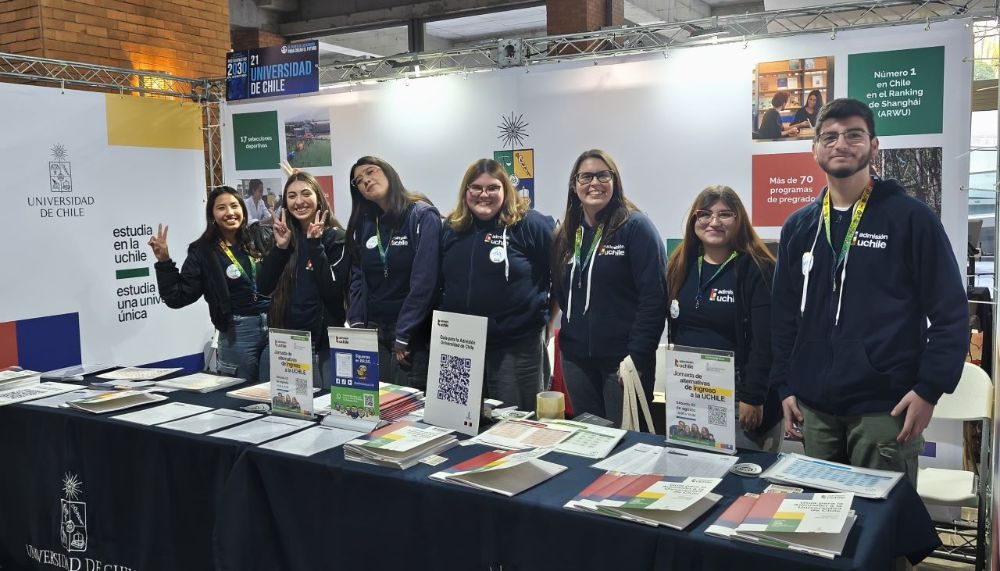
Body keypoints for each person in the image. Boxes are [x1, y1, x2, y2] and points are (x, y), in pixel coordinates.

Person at [771, 98, 968, 484]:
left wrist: (929, 389)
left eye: (854, 135)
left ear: (874, 146)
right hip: (815, 408)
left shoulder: (912, 219)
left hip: (884, 409)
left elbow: (951, 314)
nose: (840, 144)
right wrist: (784, 384)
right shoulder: (799, 226)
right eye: (829, 137)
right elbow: (783, 315)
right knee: (821, 514)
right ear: (815, 150)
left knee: (880, 518)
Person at [553, 149, 667, 428]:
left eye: (603, 175)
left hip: (623, 361)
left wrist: (637, 356)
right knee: (589, 438)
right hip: (576, 360)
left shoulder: (635, 227)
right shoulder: (567, 232)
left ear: (615, 181)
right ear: (574, 185)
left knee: (626, 441)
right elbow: (561, 290)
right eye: (586, 177)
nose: (595, 183)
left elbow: (654, 298)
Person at [666, 185, 783, 452]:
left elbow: (765, 341)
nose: (714, 222)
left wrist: (753, 397)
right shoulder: (679, 265)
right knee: (691, 468)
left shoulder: (759, 268)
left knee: (740, 474)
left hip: (740, 396)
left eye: (725, 214)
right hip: (690, 392)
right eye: (705, 214)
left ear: (739, 220)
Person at [440, 158, 555, 409]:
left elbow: (560, 276)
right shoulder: (451, 228)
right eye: (476, 187)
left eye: (493, 187)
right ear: (466, 191)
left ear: (506, 189)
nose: (484, 194)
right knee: (458, 418)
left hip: (515, 346)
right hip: (459, 344)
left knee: (515, 424)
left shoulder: (530, 225)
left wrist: (548, 321)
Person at [150, 186, 272, 382]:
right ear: (212, 215)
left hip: (276, 327)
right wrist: (164, 262)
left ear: (242, 209)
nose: (230, 212)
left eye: (234, 206)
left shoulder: (258, 238)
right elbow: (178, 296)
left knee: (276, 391)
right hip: (237, 331)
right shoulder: (203, 251)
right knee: (239, 391)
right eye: (221, 208)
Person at [347, 156, 441, 391]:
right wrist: (357, 323)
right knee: (378, 402)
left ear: (388, 172)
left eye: (371, 172)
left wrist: (404, 332)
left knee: (408, 405)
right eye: (359, 180)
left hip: (411, 335)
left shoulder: (422, 215)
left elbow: (425, 280)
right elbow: (358, 276)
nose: (366, 180)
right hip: (374, 331)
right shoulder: (366, 222)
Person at [257, 171, 348, 389]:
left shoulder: (335, 238)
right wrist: (280, 249)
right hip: (288, 344)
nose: (299, 201)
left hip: (323, 346)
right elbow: (264, 287)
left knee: (324, 404)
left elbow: (333, 292)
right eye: (292, 196)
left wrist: (315, 246)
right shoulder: (284, 237)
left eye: (306, 194)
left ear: (318, 197)